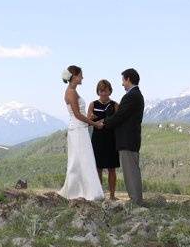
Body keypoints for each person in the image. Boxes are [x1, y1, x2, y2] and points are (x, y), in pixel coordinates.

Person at [96, 68, 145, 205]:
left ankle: (135, 200)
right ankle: (135, 199)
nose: (122, 84)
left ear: (128, 79)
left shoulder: (131, 96)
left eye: (123, 80)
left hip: (128, 139)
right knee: (131, 170)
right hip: (130, 139)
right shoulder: (135, 95)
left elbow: (120, 116)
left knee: (131, 171)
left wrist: (103, 122)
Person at [57, 65, 105, 201]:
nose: (82, 77)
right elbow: (77, 115)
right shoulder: (71, 92)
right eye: (81, 75)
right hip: (78, 129)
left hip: (80, 128)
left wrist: (89, 119)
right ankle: (81, 192)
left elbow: (79, 114)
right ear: (75, 76)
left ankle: (84, 191)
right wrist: (95, 124)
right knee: (80, 160)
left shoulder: (72, 91)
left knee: (83, 159)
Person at [88, 79, 120, 200]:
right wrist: (92, 119)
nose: (103, 93)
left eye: (106, 91)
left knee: (111, 168)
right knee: (98, 168)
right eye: (101, 91)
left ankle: (112, 195)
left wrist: (100, 120)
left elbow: (117, 122)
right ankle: (100, 195)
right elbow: (88, 122)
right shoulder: (93, 104)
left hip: (111, 139)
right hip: (97, 139)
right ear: (98, 91)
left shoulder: (115, 105)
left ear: (110, 91)